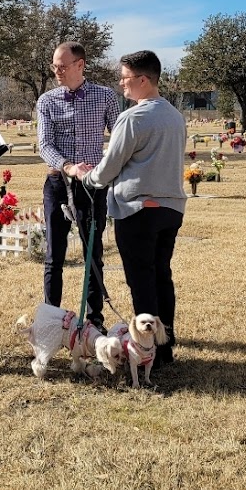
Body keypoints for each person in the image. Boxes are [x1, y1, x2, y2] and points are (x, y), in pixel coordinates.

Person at [75, 50, 186, 362]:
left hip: (139, 208)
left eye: (125, 78)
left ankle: (148, 349)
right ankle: (165, 345)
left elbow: (110, 165)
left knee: (142, 281)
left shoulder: (134, 117)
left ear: (143, 79)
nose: (121, 84)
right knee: (161, 275)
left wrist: (89, 178)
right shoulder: (175, 116)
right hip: (171, 207)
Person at [37, 42, 120, 329]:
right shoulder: (47, 101)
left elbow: (120, 139)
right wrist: (68, 166)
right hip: (58, 183)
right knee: (53, 255)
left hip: (93, 187)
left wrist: (107, 168)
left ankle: (95, 319)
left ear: (80, 65)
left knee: (93, 253)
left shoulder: (106, 96)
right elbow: (44, 145)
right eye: (54, 67)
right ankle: (51, 321)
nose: (57, 71)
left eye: (62, 66)